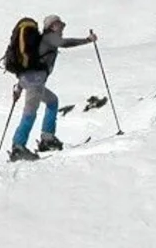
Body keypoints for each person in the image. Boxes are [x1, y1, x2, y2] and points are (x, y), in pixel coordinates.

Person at [10, 14, 96, 161]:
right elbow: (65, 43)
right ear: (52, 26)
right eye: (60, 25)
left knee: (52, 101)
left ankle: (47, 138)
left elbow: (31, 65)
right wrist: (87, 40)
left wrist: (19, 88)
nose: (62, 27)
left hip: (31, 80)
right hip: (35, 82)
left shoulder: (42, 41)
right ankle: (18, 146)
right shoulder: (50, 37)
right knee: (30, 112)